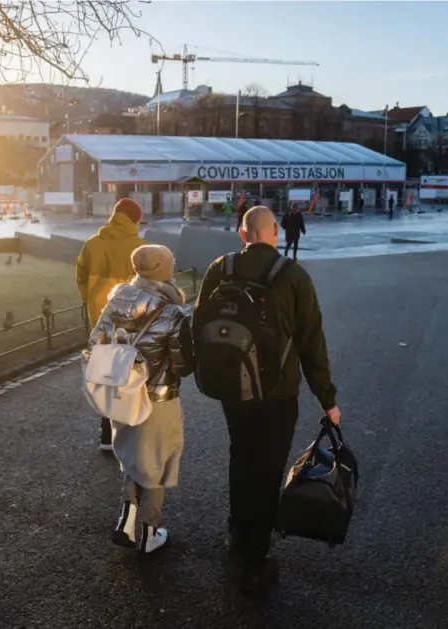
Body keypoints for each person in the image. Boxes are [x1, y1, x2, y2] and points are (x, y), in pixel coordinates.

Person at [192, 206, 340, 596]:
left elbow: (197, 323)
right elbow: (312, 343)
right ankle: (255, 559)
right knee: (268, 468)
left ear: (243, 235)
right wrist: (328, 399)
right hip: (276, 393)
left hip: (231, 388)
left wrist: (194, 370)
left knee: (241, 456)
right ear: (273, 232)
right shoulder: (291, 276)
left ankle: (238, 537)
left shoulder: (219, 269)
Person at [87, 244, 195, 554]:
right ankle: (149, 531)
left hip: (122, 393)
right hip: (159, 398)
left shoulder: (116, 299)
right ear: (164, 270)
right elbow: (182, 366)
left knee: (133, 456)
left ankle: (126, 516)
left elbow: (97, 341)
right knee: (157, 462)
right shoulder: (172, 311)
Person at [77, 198, 146, 451]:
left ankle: (106, 433)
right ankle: (130, 429)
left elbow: (81, 279)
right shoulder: (141, 247)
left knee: (106, 375)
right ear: (136, 220)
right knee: (133, 373)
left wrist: (93, 306)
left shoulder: (91, 245)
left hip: (101, 319)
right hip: (134, 322)